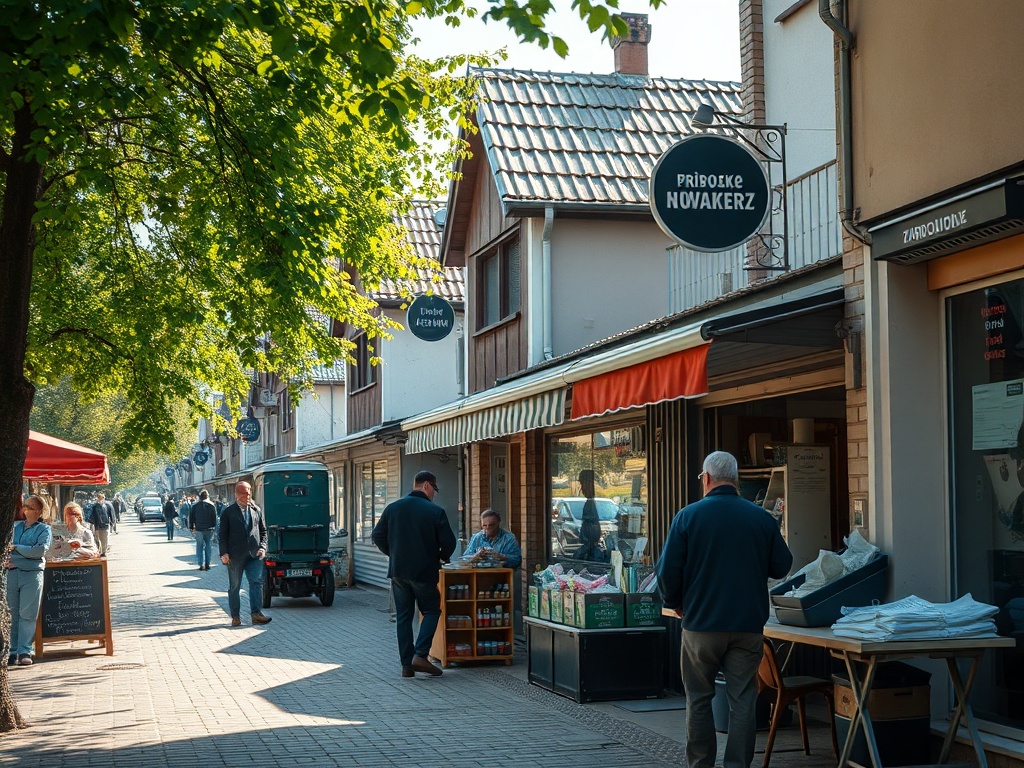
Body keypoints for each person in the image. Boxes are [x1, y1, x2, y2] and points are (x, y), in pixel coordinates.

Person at [657, 451, 793, 768]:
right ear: (735, 479)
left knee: (699, 699)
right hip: (747, 627)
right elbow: (782, 566)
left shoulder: (687, 517)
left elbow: (667, 572)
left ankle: (701, 763)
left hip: (701, 624)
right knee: (743, 700)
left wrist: (675, 603)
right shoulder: (761, 518)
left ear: (706, 478)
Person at [371, 470, 456, 678]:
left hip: (398, 572)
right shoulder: (435, 511)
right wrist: (441, 557)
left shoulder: (393, 508)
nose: (434, 493)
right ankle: (420, 655)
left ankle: (406, 666)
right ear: (426, 485)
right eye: (434, 489)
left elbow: (377, 536)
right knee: (432, 611)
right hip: (424, 571)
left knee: (404, 617)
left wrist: (394, 554)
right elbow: (449, 542)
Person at [6, 495, 53, 666]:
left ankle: (25, 650)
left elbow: (39, 551)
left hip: (32, 575)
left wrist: (17, 548)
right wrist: (23, 553)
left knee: (28, 613)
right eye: (25, 506)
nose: (26, 509)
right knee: (11, 613)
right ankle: (12, 651)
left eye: (31, 507)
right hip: (12, 573)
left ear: (39, 511)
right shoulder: (15, 527)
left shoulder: (44, 529)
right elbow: (7, 549)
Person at [218, 481, 271, 627]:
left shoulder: (256, 510)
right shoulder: (228, 512)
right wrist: (224, 553)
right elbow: (222, 535)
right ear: (236, 494)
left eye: (248, 494)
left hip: (254, 555)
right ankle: (235, 617)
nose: (246, 497)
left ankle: (256, 614)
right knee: (235, 586)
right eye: (243, 494)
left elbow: (263, 532)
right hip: (235, 556)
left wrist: (263, 547)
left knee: (256, 583)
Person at [190, 490, 218, 571]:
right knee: (208, 546)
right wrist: (213, 527)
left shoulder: (195, 506)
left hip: (199, 529)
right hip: (209, 529)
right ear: (207, 496)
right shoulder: (211, 505)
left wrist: (191, 527)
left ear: (200, 497)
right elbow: (214, 518)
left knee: (199, 546)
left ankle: (200, 564)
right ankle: (208, 563)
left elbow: (191, 517)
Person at [90, 492, 113, 557]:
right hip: (97, 525)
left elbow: (110, 514)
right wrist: (92, 523)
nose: (101, 499)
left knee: (104, 539)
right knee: (97, 539)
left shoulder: (107, 505)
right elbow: (92, 515)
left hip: (105, 525)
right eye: (100, 497)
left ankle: (103, 551)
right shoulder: (94, 506)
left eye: (102, 497)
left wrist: (111, 522)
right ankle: (99, 551)